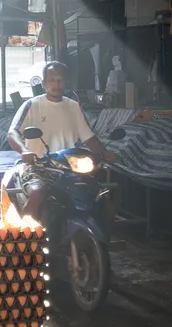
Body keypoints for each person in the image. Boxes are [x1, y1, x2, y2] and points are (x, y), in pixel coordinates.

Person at [7, 61, 115, 220]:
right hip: (37, 167)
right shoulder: (32, 105)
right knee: (37, 193)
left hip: (70, 169)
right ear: (44, 83)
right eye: (51, 80)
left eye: (60, 80)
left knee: (103, 199)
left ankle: (102, 242)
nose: (56, 84)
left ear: (66, 82)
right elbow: (13, 133)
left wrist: (104, 153)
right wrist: (25, 151)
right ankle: (28, 239)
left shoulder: (73, 107)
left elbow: (89, 138)